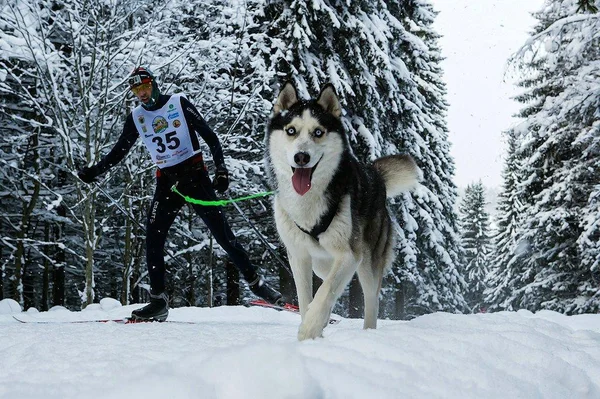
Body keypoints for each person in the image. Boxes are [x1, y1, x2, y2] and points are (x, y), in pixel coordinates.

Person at [78, 66, 282, 321]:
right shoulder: (137, 117)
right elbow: (120, 151)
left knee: (224, 236)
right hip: (168, 184)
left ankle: (259, 286)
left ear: (154, 84)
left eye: (145, 87)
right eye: (136, 90)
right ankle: (158, 301)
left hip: (195, 177)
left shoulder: (178, 103)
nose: (141, 94)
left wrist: (221, 169)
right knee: (153, 237)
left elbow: (211, 137)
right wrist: (94, 171)